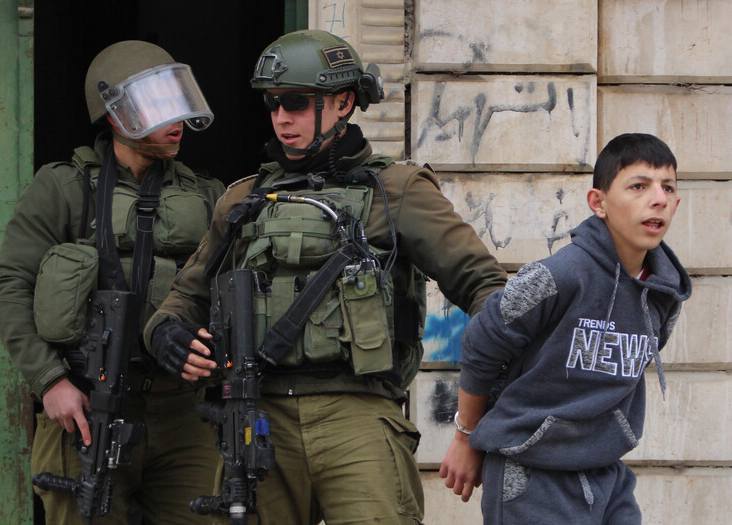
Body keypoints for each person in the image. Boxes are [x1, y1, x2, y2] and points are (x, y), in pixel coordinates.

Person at [143, 29, 507, 524]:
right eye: (273, 103)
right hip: (256, 415)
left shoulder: (396, 189)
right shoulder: (242, 199)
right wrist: (167, 334)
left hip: (357, 416)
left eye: (295, 102)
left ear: (343, 102)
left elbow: (486, 289)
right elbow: (184, 298)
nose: (281, 117)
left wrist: (477, 418)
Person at [0, 40, 225, 524]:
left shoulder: (207, 194)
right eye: (158, 104)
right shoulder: (63, 187)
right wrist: (49, 381)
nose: (176, 118)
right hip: (86, 406)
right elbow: (9, 285)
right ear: (115, 114)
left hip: (182, 409)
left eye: (177, 100)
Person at [439, 133, 692, 524]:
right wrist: (466, 436)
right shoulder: (558, 275)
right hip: (531, 472)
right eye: (639, 186)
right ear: (599, 203)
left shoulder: (664, 293)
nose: (658, 197)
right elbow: (481, 342)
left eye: (668, 187)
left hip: (608, 475)